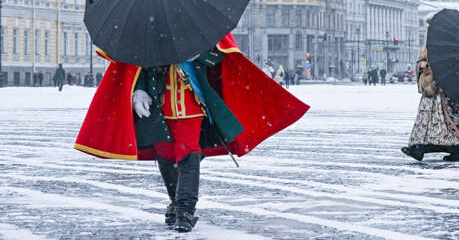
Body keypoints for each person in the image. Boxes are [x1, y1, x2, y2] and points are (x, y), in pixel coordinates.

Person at [75, 34, 309, 233]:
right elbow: (138, 64)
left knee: (187, 153)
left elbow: (219, 53)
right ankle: (175, 203)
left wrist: (198, 54)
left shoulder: (199, 23)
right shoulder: (146, 28)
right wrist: (139, 90)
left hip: (190, 104)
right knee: (165, 156)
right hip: (160, 103)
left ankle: (185, 210)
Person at [401, 47, 459, 162]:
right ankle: (419, 148)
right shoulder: (435, 44)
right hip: (433, 93)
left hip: (454, 93)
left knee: (454, 126)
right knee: (427, 123)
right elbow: (421, 61)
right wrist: (424, 66)